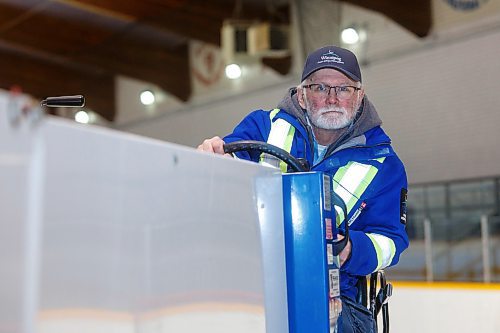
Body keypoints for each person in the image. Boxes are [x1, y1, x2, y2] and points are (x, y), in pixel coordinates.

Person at [198, 45, 409, 332]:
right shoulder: (264, 127)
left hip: (334, 294)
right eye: (320, 87)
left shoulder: (384, 164)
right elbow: (228, 168)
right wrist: (213, 158)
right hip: (252, 281)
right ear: (302, 93)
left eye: (344, 89)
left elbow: (390, 241)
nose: (332, 98)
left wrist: (349, 248)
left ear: (360, 96)